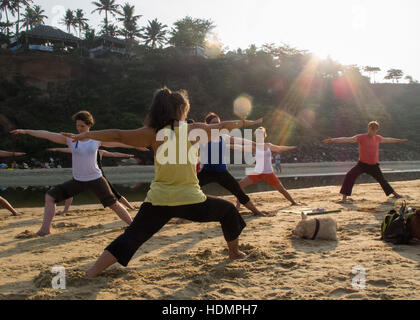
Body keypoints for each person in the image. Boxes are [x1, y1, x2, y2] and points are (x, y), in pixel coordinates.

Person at [62, 88, 262, 278]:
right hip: (190, 200)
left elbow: (118, 134)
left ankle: (91, 273)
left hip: (159, 200)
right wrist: (246, 122)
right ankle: (234, 253)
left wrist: (87, 135)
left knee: (131, 237)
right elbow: (222, 126)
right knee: (228, 211)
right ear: (181, 110)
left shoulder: (152, 133)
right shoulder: (194, 130)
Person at [10, 111, 134, 236]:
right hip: (78, 180)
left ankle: (133, 226)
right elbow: (47, 134)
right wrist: (25, 131)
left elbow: (119, 141)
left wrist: (137, 145)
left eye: (82, 126)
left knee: (114, 205)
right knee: (50, 196)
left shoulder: (97, 139)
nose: (79, 129)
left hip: (96, 179)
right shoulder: (71, 139)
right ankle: (45, 229)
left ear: (89, 125)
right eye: (77, 126)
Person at [198, 112, 267, 216]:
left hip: (222, 173)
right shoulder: (202, 137)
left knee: (239, 193)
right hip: (207, 171)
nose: (217, 125)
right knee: (189, 189)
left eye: (218, 122)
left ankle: (256, 211)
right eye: (214, 123)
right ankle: (182, 214)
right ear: (207, 124)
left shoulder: (223, 136)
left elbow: (240, 140)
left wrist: (254, 144)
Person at [322, 121, 408, 203]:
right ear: (368, 128)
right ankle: (344, 198)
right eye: (371, 129)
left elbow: (389, 139)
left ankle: (395, 194)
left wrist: (399, 140)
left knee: (382, 180)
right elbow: (347, 139)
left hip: (374, 166)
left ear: (377, 130)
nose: (372, 131)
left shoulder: (378, 138)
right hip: (362, 164)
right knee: (350, 175)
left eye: (374, 129)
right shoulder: (361, 137)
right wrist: (333, 140)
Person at [48, 147, 140, 215]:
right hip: (83, 176)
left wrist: (127, 155)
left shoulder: (100, 152)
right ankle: (65, 211)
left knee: (115, 194)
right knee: (69, 192)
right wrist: (56, 149)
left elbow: (114, 154)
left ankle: (131, 208)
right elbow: (69, 149)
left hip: (98, 177)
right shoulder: (81, 151)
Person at [236, 127, 298, 208]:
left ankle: (293, 202)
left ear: (264, 135)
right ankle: (238, 205)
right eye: (258, 134)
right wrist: (227, 145)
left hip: (269, 172)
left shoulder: (268, 145)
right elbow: (239, 147)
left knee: (281, 189)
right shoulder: (254, 146)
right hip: (257, 172)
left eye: (261, 134)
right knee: (240, 185)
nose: (260, 135)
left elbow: (279, 148)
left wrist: (291, 147)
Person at [0, 150, 26, 216]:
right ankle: (14, 212)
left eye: (5, 167)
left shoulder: (8, 169)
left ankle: (14, 212)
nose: (5, 168)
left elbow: (13, 170)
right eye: (4, 167)